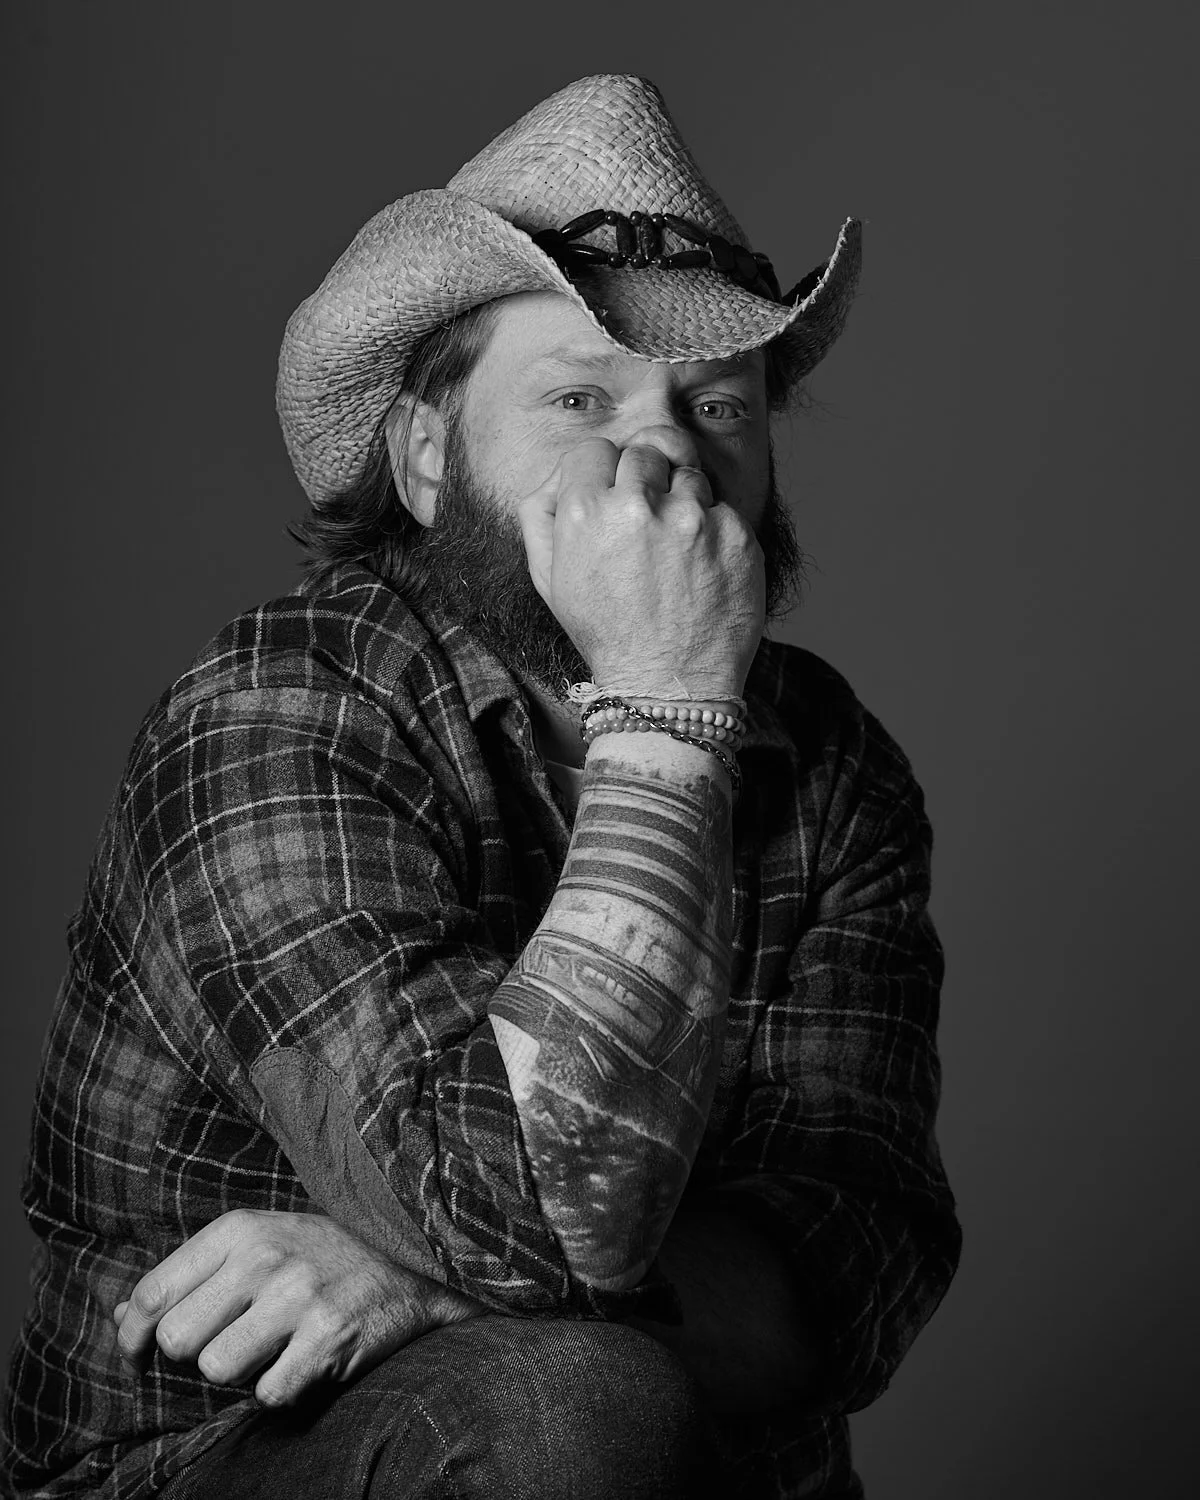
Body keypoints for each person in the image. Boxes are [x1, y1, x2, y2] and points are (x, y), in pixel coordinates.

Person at [1, 74, 960, 1499]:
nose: (664, 458)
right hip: (214, 1457)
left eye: (719, 404)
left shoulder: (835, 766)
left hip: (690, 1463)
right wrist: (666, 713)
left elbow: (849, 1277)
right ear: (428, 453)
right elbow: (525, 1214)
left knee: (607, 1392)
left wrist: (433, 1286)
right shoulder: (276, 714)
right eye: (580, 396)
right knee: (580, 1400)